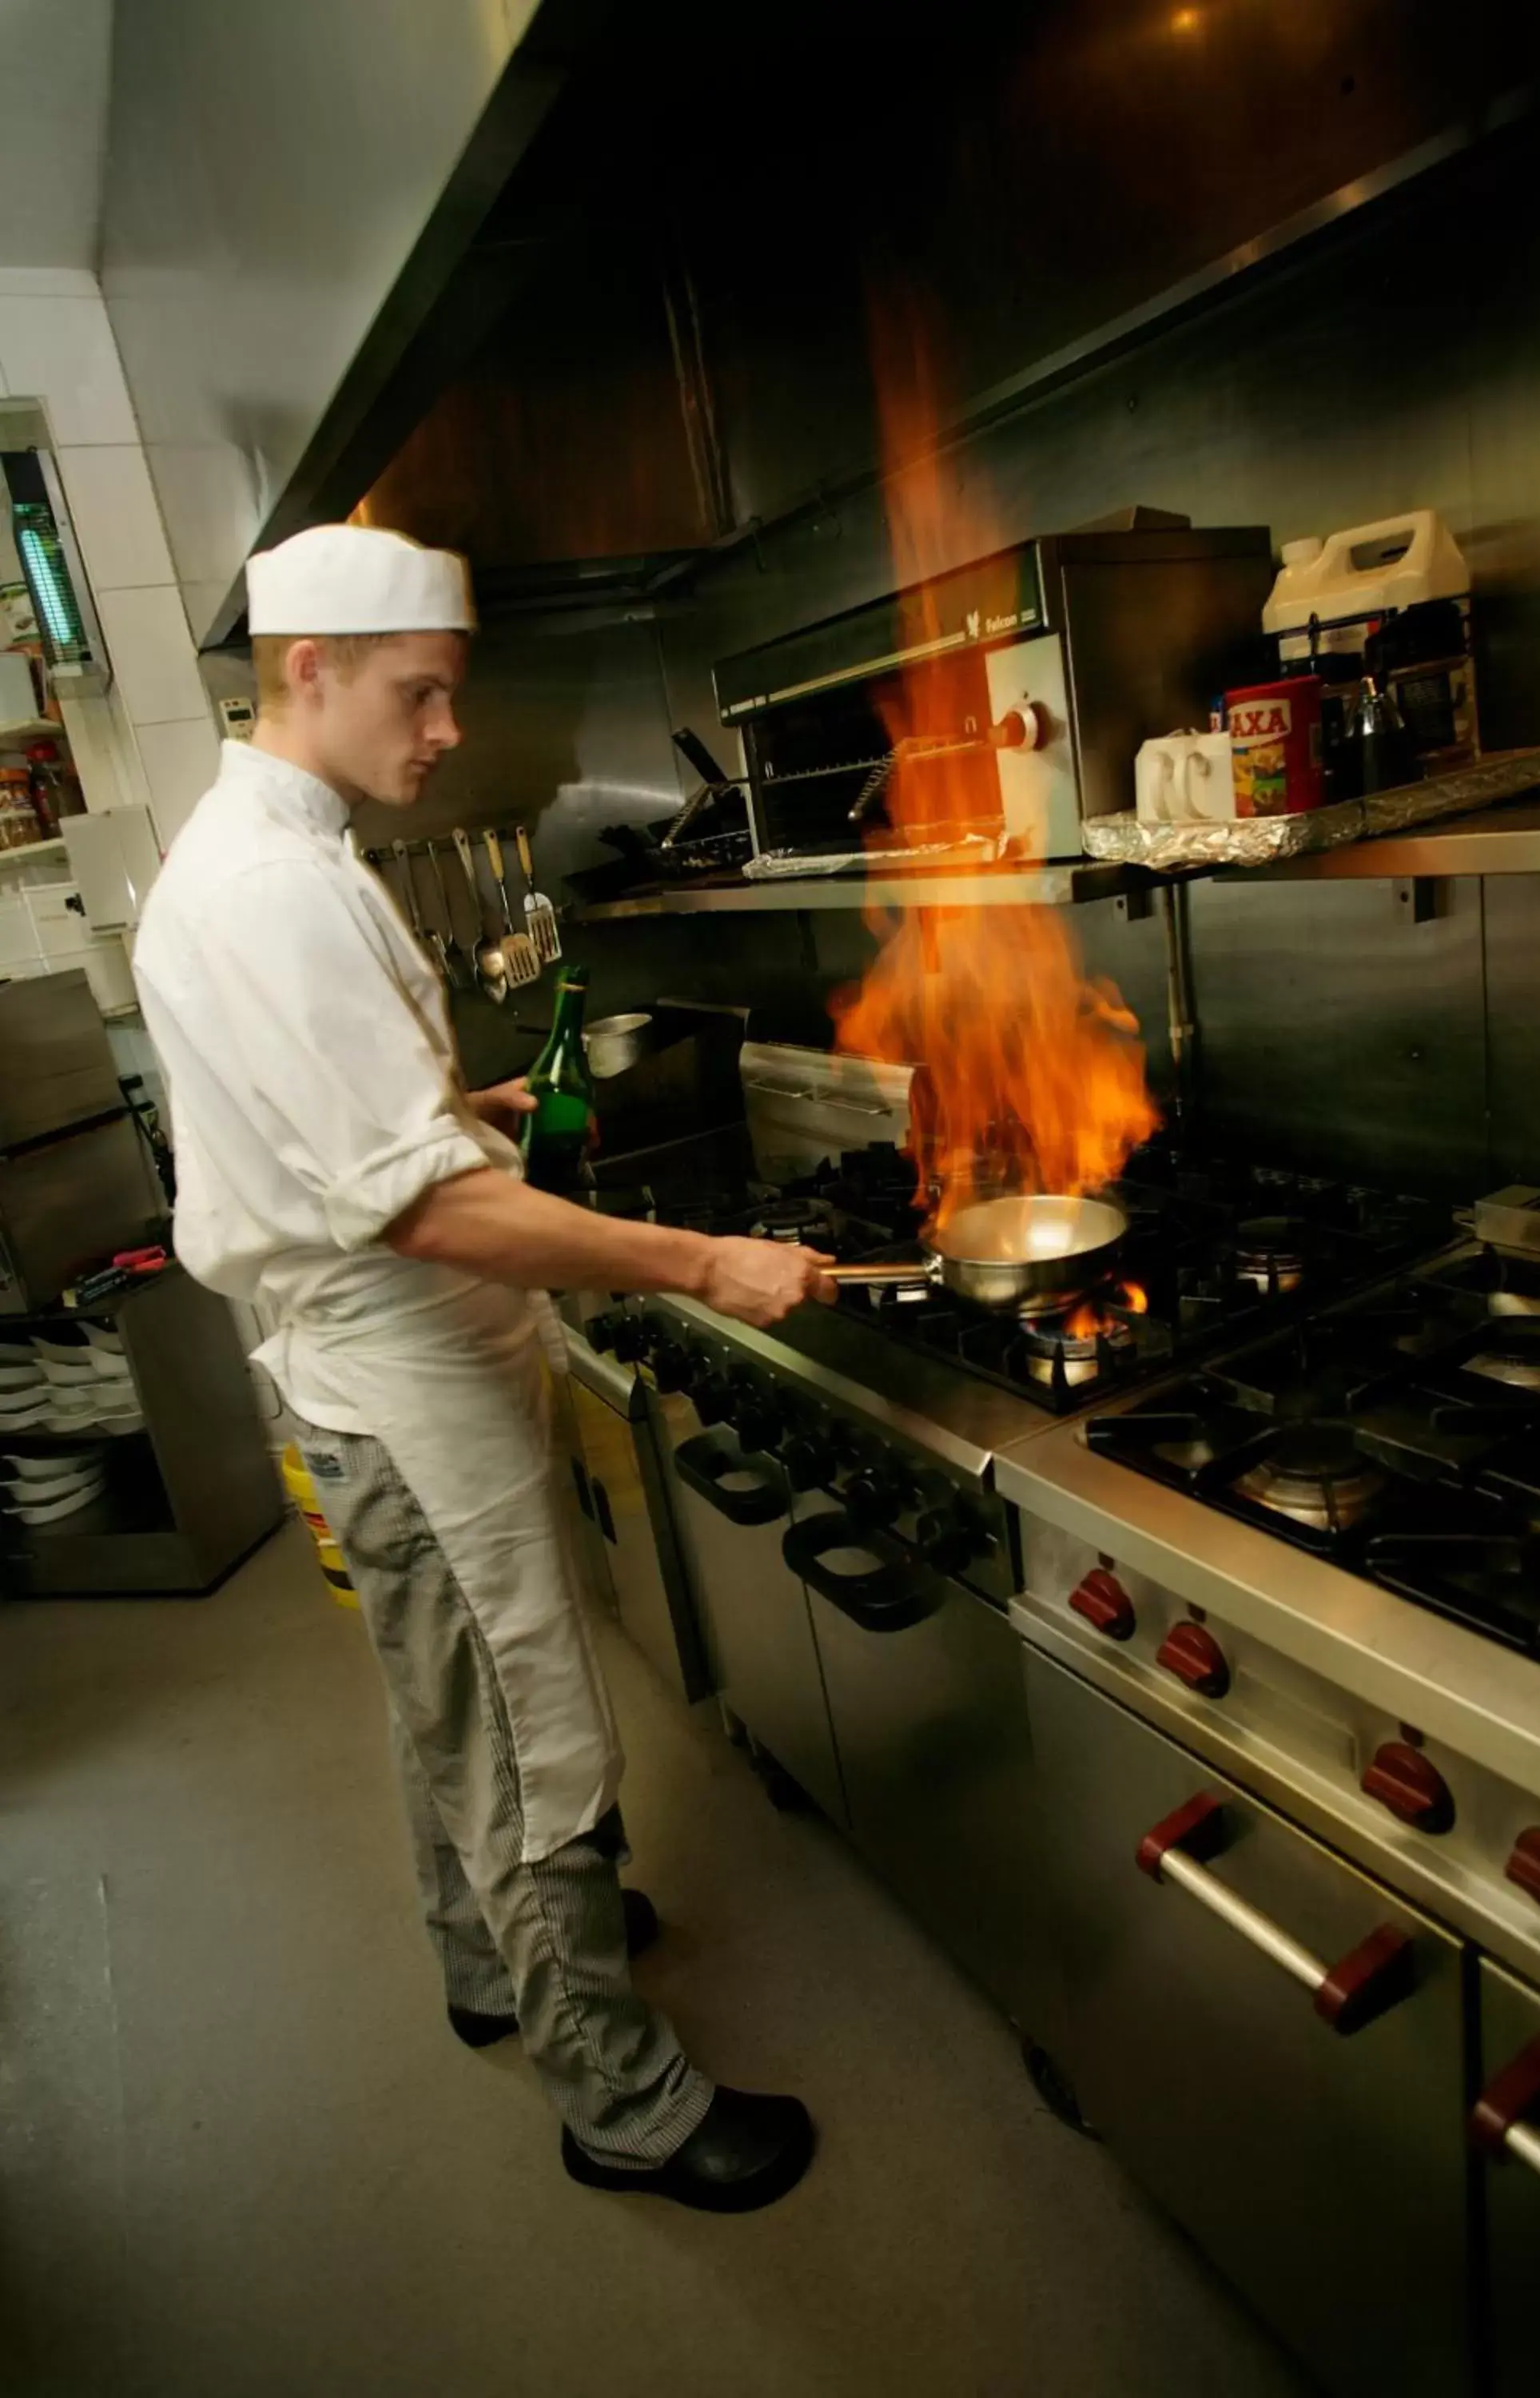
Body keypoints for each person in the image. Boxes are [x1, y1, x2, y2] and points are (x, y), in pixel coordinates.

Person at [133, 523, 834, 2215]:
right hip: (407, 1384)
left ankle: (486, 1959)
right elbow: (431, 1223)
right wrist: (703, 1261)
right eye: (421, 693)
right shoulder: (276, 889)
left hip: (380, 1369)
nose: (449, 730)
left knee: (444, 1702)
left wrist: (462, 1110)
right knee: (526, 1725)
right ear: (309, 670)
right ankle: (624, 2101)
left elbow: (342, 1131)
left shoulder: (269, 848)